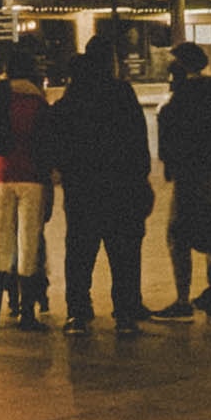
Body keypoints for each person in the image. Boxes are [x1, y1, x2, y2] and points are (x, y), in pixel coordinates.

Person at [50, 36, 155, 335]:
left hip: (82, 188)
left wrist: (64, 170)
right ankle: (124, 313)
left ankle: (78, 312)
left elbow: (57, 135)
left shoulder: (72, 97)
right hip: (120, 186)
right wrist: (141, 177)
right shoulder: (121, 92)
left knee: (80, 252)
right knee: (123, 253)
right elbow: (137, 138)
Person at [154, 45, 211, 318]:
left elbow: (175, 137)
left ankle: (187, 299)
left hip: (191, 174)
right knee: (207, 234)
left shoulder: (185, 96)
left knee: (180, 234)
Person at [0, 44, 55, 330]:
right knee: (28, 242)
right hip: (32, 180)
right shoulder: (37, 103)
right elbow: (46, 148)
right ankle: (27, 313)